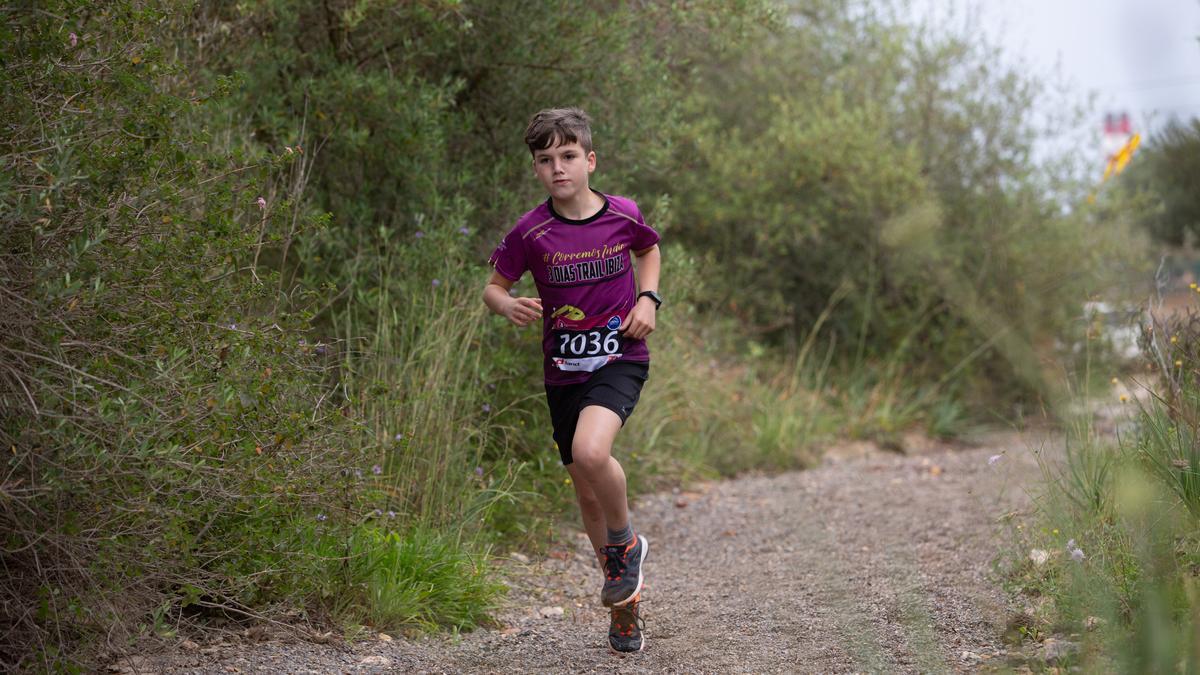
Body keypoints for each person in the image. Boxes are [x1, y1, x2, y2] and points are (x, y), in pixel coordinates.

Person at [482, 107, 662, 654]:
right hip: (563, 374)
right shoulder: (531, 232)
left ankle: (626, 545)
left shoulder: (622, 214)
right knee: (585, 495)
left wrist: (649, 299)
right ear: (536, 168)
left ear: (589, 159)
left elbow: (649, 249)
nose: (557, 168)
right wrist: (506, 304)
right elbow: (493, 286)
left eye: (567, 156)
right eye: (545, 160)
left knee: (590, 452)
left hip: (620, 359)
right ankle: (624, 602)